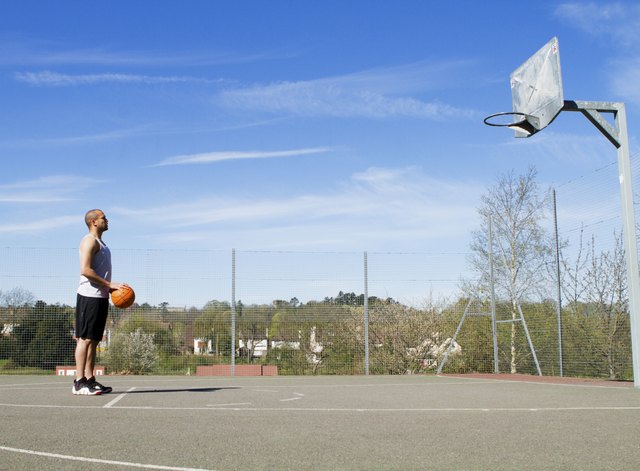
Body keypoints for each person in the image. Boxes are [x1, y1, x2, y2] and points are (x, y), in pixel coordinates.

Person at [73, 209, 127, 396]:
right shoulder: (89, 240)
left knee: (94, 341)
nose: (107, 220)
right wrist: (109, 284)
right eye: (104, 218)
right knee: (84, 339)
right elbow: (85, 270)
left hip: (100, 296)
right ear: (94, 222)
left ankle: (89, 379)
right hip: (89, 295)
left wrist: (108, 288)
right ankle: (79, 382)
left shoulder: (102, 243)